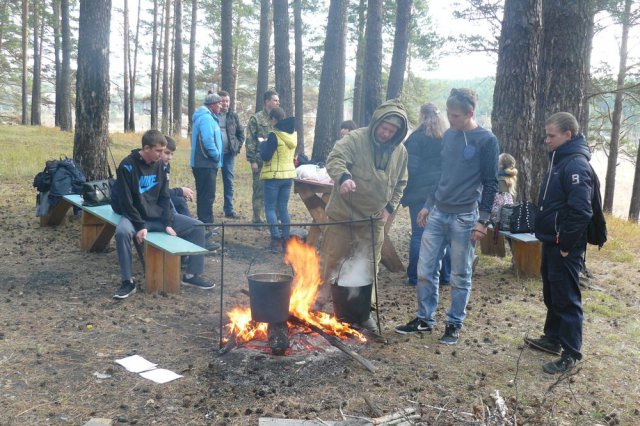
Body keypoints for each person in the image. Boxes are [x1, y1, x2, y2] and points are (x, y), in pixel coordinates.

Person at [395, 88, 499, 345]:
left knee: (460, 275)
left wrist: (482, 221)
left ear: (469, 113)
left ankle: (454, 323)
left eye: (455, 116)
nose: (450, 120)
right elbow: (441, 173)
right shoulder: (450, 135)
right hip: (438, 212)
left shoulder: (486, 140)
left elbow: (490, 183)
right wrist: (428, 204)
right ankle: (424, 318)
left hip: (465, 217)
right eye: (449, 115)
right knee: (425, 269)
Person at [319, 99, 409, 332]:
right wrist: (344, 178)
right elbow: (335, 159)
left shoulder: (400, 152)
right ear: (376, 122)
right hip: (343, 215)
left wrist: (389, 209)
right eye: (383, 128)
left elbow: (401, 183)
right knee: (331, 258)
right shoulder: (355, 139)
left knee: (369, 265)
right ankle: (320, 302)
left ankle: (363, 312)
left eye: (391, 131)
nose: (386, 134)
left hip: (373, 220)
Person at [526, 112, 592, 374]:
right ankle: (552, 338)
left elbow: (582, 211)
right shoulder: (560, 160)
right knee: (552, 293)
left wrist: (565, 243)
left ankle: (571, 352)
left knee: (566, 298)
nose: (547, 140)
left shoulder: (575, 164)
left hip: (565, 245)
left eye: (552, 135)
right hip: (551, 241)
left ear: (568, 135)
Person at [111, 130, 213, 299]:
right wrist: (140, 226)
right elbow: (126, 203)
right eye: (158, 151)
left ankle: (191, 276)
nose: (162, 155)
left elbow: (165, 197)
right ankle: (128, 282)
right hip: (135, 217)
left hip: (157, 217)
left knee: (198, 226)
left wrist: (167, 222)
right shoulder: (127, 166)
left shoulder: (161, 165)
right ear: (146, 148)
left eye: (163, 151)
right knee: (122, 233)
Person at [400, 103, 451, 287]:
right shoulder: (447, 137)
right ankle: (446, 276)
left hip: (420, 194)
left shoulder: (416, 139)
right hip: (442, 192)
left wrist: (404, 190)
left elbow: (410, 169)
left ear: (421, 116)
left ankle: (414, 276)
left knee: (419, 234)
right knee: (444, 235)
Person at [259, 107, 297, 252]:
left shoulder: (274, 135)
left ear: (274, 119)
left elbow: (266, 156)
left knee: (270, 208)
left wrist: (263, 144)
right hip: (288, 177)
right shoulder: (292, 135)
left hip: (274, 176)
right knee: (283, 208)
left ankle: (275, 240)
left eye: (271, 119)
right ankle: (286, 240)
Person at [190, 92, 223, 251]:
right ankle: (205, 233)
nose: (221, 106)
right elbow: (208, 141)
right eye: (218, 104)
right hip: (205, 164)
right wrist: (216, 156)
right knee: (206, 197)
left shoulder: (207, 117)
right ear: (211, 105)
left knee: (205, 197)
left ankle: (205, 229)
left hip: (204, 164)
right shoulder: (206, 119)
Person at [246, 90, 280, 224]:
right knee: (259, 190)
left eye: (278, 100)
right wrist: (252, 160)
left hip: (275, 162)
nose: (278, 102)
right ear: (267, 101)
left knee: (274, 192)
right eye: (275, 100)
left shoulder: (278, 118)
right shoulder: (257, 119)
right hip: (260, 161)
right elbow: (250, 140)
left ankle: (273, 217)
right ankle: (257, 218)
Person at [217, 90, 245, 219]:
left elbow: (241, 133)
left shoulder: (233, 116)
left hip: (229, 154)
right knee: (211, 183)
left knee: (229, 182)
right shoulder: (212, 115)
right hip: (213, 155)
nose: (225, 104)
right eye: (223, 101)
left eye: (227, 101)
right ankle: (207, 209)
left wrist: (236, 147)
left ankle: (229, 209)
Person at [162, 135, 194, 217]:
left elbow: (164, 189)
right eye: (167, 153)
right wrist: (180, 191)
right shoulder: (152, 166)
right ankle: (192, 226)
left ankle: (190, 224)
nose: (170, 157)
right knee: (179, 201)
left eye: (172, 154)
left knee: (179, 200)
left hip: (162, 198)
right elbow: (159, 192)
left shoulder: (166, 165)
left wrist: (179, 193)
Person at [490, 153, 518, 226]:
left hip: (496, 221)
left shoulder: (499, 181)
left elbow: (496, 206)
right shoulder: (509, 180)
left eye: (497, 160)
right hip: (507, 219)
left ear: (501, 165)